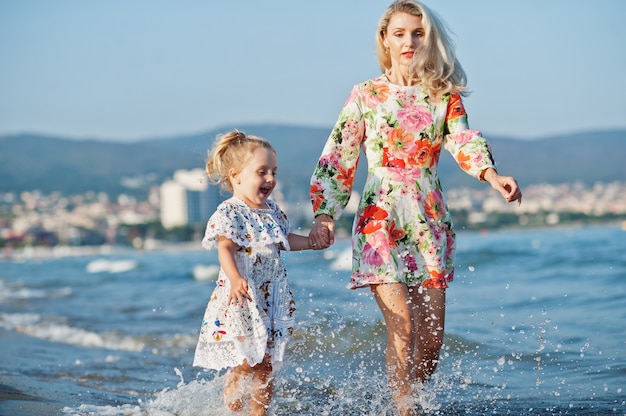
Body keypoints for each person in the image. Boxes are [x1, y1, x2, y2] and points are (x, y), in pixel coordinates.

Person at [308, 1, 522, 414]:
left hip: (429, 219)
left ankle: (407, 403)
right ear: (385, 40)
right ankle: (404, 410)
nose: (409, 41)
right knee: (403, 329)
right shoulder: (366, 94)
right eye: (400, 33)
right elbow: (338, 155)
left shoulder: (444, 94)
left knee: (432, 339)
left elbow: (463, 140)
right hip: (379, 219)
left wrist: (493, 176)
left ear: (429, 38)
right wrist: (325, 213)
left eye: (417, 33)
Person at [193, 131, 321, 416]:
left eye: (273, 172)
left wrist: (311, 242)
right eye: (261, 172)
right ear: (236, 177)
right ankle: (234, 410)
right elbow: (224, 249)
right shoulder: (230, 212)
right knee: (247, 362)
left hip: (270, 299)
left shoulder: (272, 211)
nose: (270, 179)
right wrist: (236, 278)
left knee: (267, 364)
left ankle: (258, 413)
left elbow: (285, 241)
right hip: (243, 298)